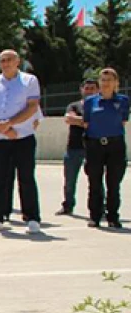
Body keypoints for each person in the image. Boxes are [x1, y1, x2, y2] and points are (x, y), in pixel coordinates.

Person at [0, 50, 43, 234]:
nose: (6, 63)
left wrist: (10, 124)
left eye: (9, 60)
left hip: (22, 137)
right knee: (0, 179)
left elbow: (32, 107)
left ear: (18, 61)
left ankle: (32, 217)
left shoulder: (29, 80)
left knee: (26, 178)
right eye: (2, 61)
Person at [76, 68, 128, 228]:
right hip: (94, 144)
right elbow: (86, 122)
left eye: (109, 80)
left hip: (115, 144)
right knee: (95, 182)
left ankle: (113, 216)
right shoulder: (91, 101)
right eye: (103, 80)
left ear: (116, 83)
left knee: (113, 182)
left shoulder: (123, 100)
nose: (106, 83)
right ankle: (95, 216)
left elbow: (123, 121)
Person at [57, 78, 99, 216]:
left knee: (96, 180)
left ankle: (99, 207)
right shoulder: (74, 106)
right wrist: (89, 122)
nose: (89, 91)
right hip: (73, 147)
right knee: (69, 180)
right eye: (87, 88)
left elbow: (100, 121)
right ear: (81, 90)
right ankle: (68, 206)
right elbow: (69, 119)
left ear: (98, 90)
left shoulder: (100, 106)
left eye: (92, 88)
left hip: (93, 147)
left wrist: (80, 121)